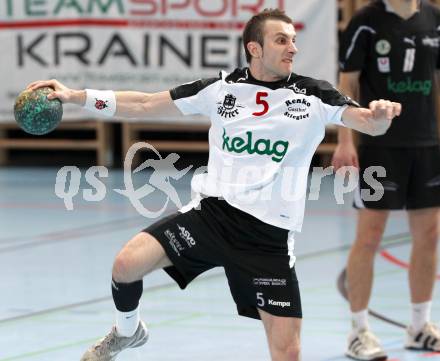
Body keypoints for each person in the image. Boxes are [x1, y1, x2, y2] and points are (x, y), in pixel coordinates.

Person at [28, 8, 400, 361]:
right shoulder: (220, 89)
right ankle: (128, 331)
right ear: (255, 48)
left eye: (293, 40)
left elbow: (367, 122)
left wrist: (380, 117)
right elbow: (143, 104)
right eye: (281, 40)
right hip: (212, 217)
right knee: (125, 265)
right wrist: (76, 96)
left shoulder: (315, 94)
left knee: (287, 353)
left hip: (266, 238)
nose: (293, 48)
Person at [333, 0, 440, 359]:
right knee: (369, 236)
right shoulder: (366, 22)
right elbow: (346, 82)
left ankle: (419, 326)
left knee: (429, 235)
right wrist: (345, 140)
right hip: (380, 147)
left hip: (427, 145)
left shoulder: (434, 19)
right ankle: (359, 331)